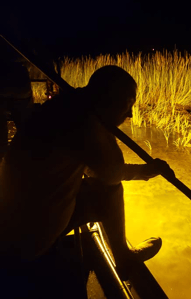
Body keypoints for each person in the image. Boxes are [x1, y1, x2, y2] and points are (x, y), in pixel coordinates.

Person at [0, 65, 174, 281]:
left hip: (10, 227)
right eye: (128, 104)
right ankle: (124, 258)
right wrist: (147, 171)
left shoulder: (65, 106)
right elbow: (111, 173)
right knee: (108, 191)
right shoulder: (84, 121)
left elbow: (95, 166)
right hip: (31, 239)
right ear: (107, 99)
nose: (130, 113)